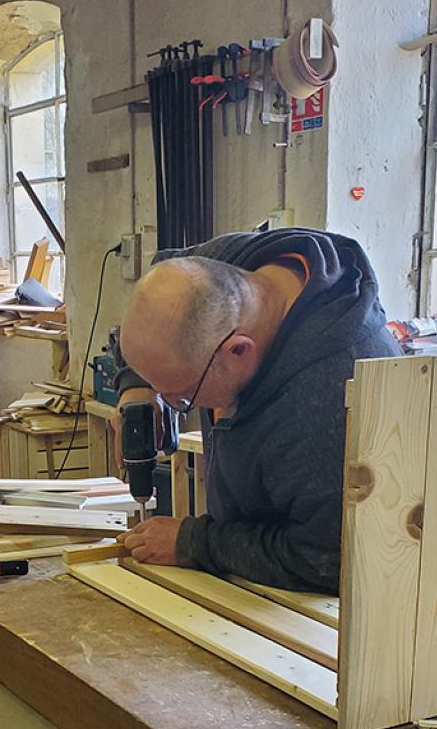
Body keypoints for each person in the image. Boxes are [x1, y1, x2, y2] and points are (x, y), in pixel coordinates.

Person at [113, 228, 400, 593]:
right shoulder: (223, 268)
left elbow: (325, 560)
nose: (173, 406)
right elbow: (159, 285)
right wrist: (136, 386)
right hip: (238, 560)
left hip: (299, 612)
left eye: (183, 396)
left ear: (237, 351)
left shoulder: (331, 396)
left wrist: (195, 543)